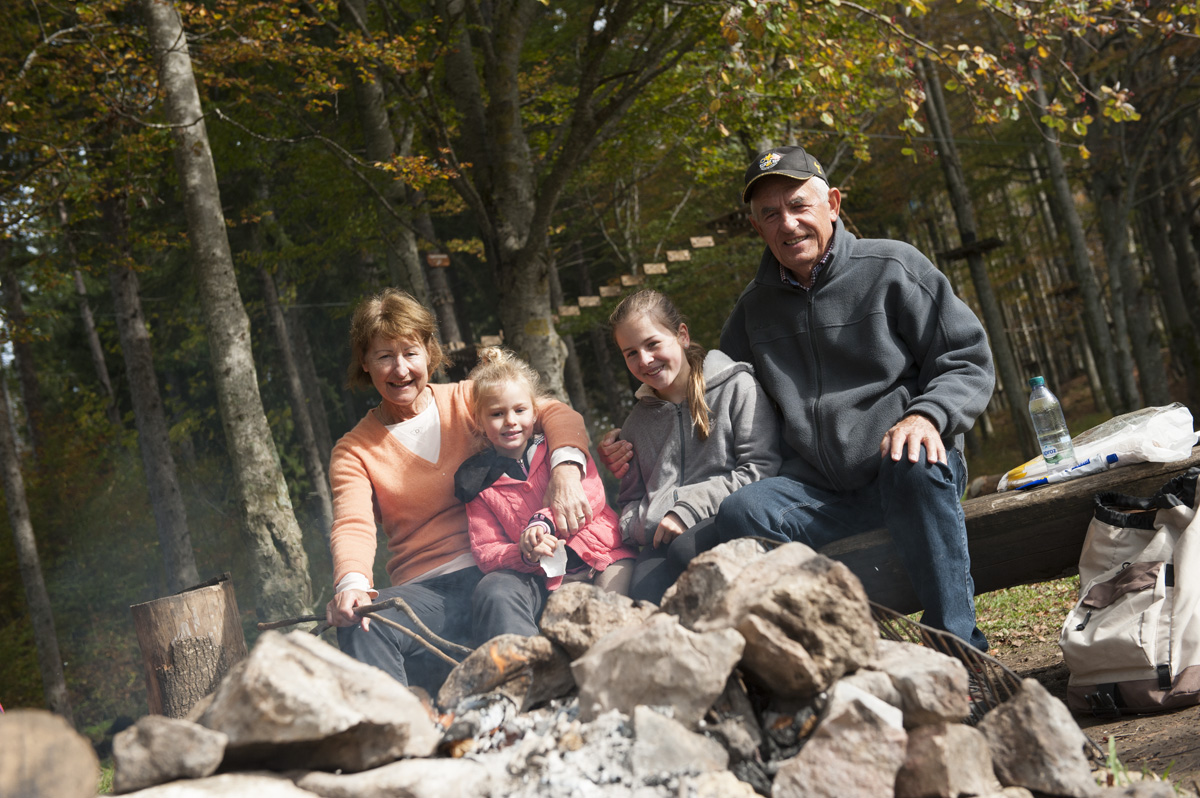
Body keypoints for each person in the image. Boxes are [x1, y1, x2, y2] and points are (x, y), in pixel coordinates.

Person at [325, 288, 594, 690]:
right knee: (366, 623)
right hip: (427, 592)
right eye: (384, 356)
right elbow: (353, 524)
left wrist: (567, 472)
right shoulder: (354, 450)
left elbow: (554, 412)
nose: (400, 369)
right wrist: (352, 585)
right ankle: (402, 734)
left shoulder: (470, 400)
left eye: (410, 352)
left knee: (496, 592)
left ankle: (536, 702)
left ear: (429, 351)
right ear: (364, 363)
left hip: (505, 564)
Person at [608, 289, 781, 603]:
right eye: (631, 352)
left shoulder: (736, 387)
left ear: (682, 336)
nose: (644, 360)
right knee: (644, 594)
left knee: (688, 553)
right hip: (660, 539)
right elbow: (631, 496)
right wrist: (639, 525)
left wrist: (688, 509)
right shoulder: (635, 425)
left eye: (652, 344)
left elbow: (760, 468)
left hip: (724, 518)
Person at [453, 348, 637, 629]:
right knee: (574, 634)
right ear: (479, 421)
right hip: (556, 581)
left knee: (611, 619)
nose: (511, 421)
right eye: (497, 414)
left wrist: (543, 522)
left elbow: (594, 494)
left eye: (519, 410)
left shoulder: (559, 448)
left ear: (535, 412)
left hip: (607, 557)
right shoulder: (479, 484)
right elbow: (486, 550)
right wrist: (524, 551)